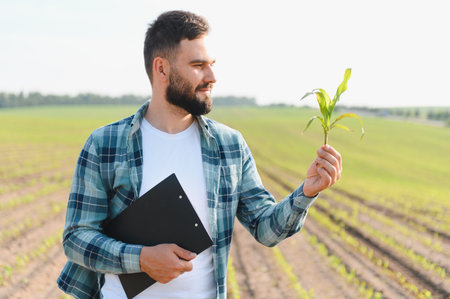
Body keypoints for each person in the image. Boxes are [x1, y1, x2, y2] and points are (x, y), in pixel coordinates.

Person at [57, 10, 342, 299]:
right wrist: (141, 258)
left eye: (212, 64)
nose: (212, 76)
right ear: (162, 69)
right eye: (198, 65)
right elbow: (76, 238)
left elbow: (265, 229)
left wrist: (306, 192)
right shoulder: (105, 144)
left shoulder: (229, 145)